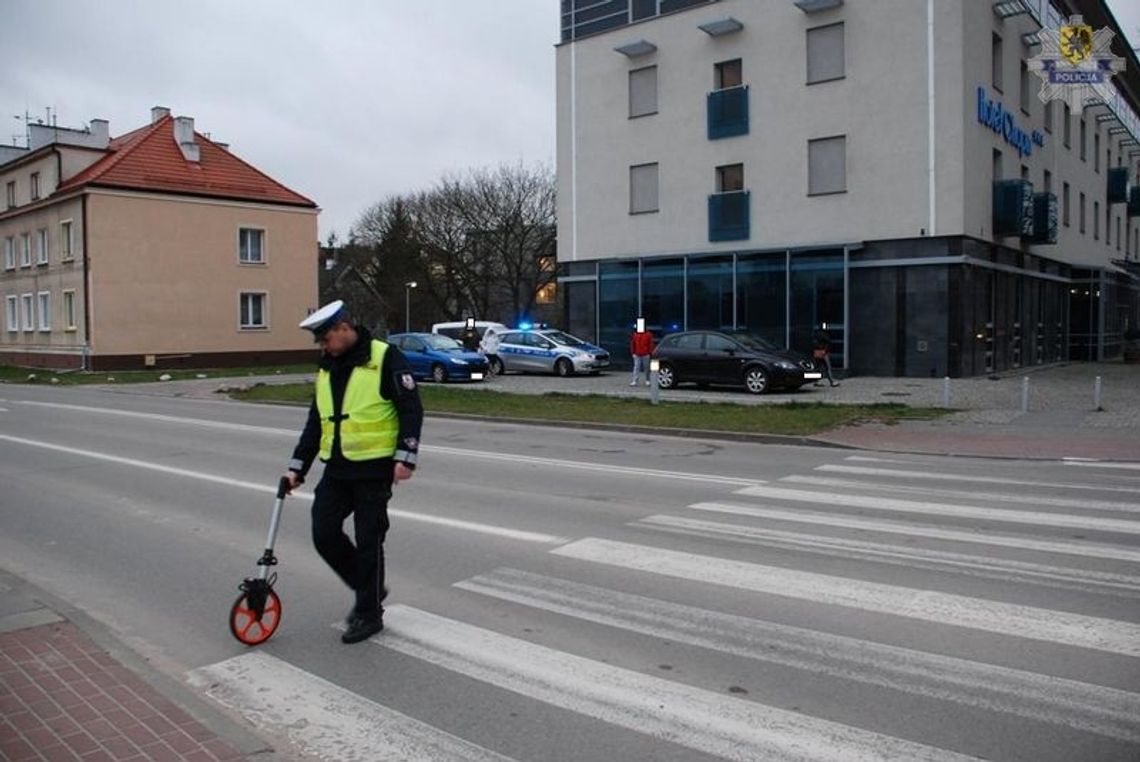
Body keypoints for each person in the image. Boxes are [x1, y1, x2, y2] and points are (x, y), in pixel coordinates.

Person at [283, 300, 423, 644]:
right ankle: (369, 588)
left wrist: (406, 456)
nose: (323, 346)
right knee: (323, 533)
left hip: (375, 469)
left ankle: (368, 613)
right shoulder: (327, 368)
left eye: (325, 338)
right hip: (338, 469)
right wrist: (297, 467)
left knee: (369, 540)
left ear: (344, 329)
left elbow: (410, 408)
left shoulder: (384, 357)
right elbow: (316, 421)